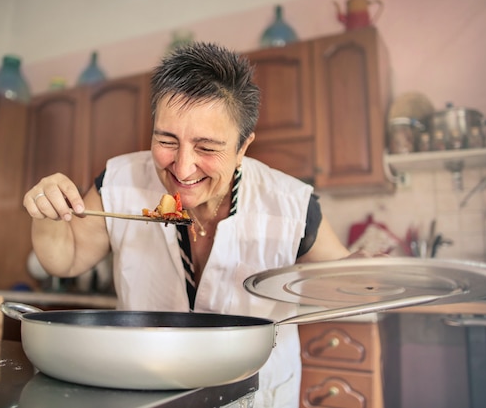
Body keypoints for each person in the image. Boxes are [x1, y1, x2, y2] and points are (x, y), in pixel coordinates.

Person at [23, 42, 354, 408]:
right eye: (166, 140)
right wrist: (47, 213)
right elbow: (64, 259)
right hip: (145, 389)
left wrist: (367, 277)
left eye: (207, 148)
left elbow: (344, 286)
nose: (182, 169)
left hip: (258, 395)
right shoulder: (119, 182)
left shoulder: (291, 206)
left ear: (244, 147)